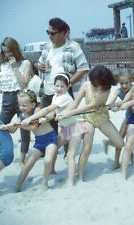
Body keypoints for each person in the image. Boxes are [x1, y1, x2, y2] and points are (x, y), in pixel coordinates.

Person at [21, 73, 94, 187]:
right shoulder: (56, 96)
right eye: (57, 86)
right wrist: (45, 119)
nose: (59, 89)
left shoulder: (65, 97)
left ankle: (70, 181)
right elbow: (52, 113)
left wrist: (31, 118)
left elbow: (49, 108)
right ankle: (52, 170)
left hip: (76, 127)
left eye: (62, 86)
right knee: (54, 147)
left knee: (70, 154)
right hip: (64, 128)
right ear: (54, 86)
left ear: (68, 86)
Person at [38, 17, 89, 157]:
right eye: (48, 32)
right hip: (48, 91)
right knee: (48, 123)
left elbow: (83, 68)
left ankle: (68, 152)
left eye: (53, 33)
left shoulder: (73, 46)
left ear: (64, 33)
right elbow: (39, 63)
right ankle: (51, 150)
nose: (49, 35)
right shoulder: (47, 46)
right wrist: (40, 67)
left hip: (65, 93)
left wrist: (68, 84)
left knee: (67, 123)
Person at [58, 65, 124, 170]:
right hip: (88, 118)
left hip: (101, 117)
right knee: (87, 148)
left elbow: (91, 105)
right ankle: (79, 173)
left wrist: (70, 113)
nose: (98, 87)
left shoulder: (106, 88)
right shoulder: (86, 85)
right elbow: (75, 103)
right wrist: (64, 112)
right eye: (95, 84)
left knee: (120, 143)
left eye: (100, 84)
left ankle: (110, 147)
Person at [1, 90, 58, 191]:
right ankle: (17, 187)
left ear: (32, 104)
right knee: (27, 166)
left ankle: (45, 183)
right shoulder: (22, 116)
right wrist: (7, 127)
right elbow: (14, 130)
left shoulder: (37, 110)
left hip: (51, 139)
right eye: (20, 105)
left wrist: (19, 125)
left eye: (24, 105)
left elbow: (34, 127)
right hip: (39, 142)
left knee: (48, 160)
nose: (21, 108)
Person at [0, 37, 33, 168]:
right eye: (4, 52)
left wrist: (14, 67)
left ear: (15, 49)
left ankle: (22, 160)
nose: (7, 54)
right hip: (6, 99)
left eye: (9, 51)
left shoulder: (26, 63)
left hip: (21, 98)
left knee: (25, 130)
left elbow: (24, 83)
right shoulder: (1, 65)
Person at [102, 69, 134, 169]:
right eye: (122, 83)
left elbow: (125, 101)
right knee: (120, 140)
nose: (124, 86)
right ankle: (116, 161)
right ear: (118, 83)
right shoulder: (118, 91)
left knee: (130, 140)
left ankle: (110, 143)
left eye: (126, 83)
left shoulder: (133, 88)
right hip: (129, 116)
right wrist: (108, 107)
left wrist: (116, 106)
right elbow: (111, 102)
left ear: (131, 81)